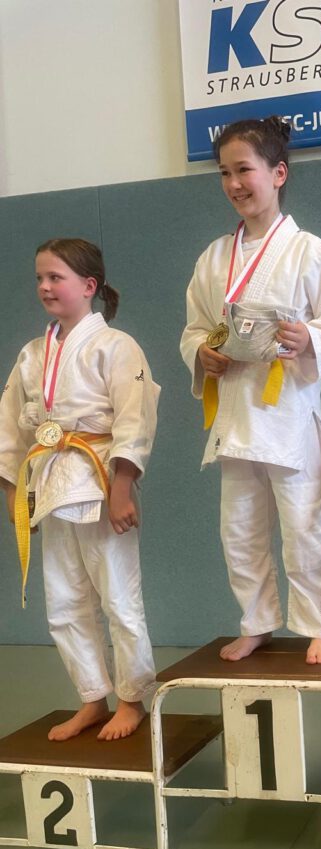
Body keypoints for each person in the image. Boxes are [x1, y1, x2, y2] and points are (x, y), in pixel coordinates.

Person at [180, 117, 321, 665]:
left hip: (288, 413)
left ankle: (319, 622)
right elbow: (194, 328)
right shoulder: (214, 258)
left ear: (278, 173)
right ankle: (255, 620)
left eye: (244, 170)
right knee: (240, 530)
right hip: (236, 414)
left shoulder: (310, 252)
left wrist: (310, 338)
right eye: (224, 173)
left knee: (304, 524)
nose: (234, 183)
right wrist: (201, 353)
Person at [0, 238, 160, 741]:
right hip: (49, 485)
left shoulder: (116, 346)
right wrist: (12, 492)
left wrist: (122, 488)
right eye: (40, 278)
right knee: (65, 602)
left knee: (118, 597)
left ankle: (132, 698)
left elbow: (135, 419)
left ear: (89, 286)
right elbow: (10, 428)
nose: (45, 287)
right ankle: (92, 697)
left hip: (98, 480)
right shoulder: (32, 354)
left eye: (56, 277)